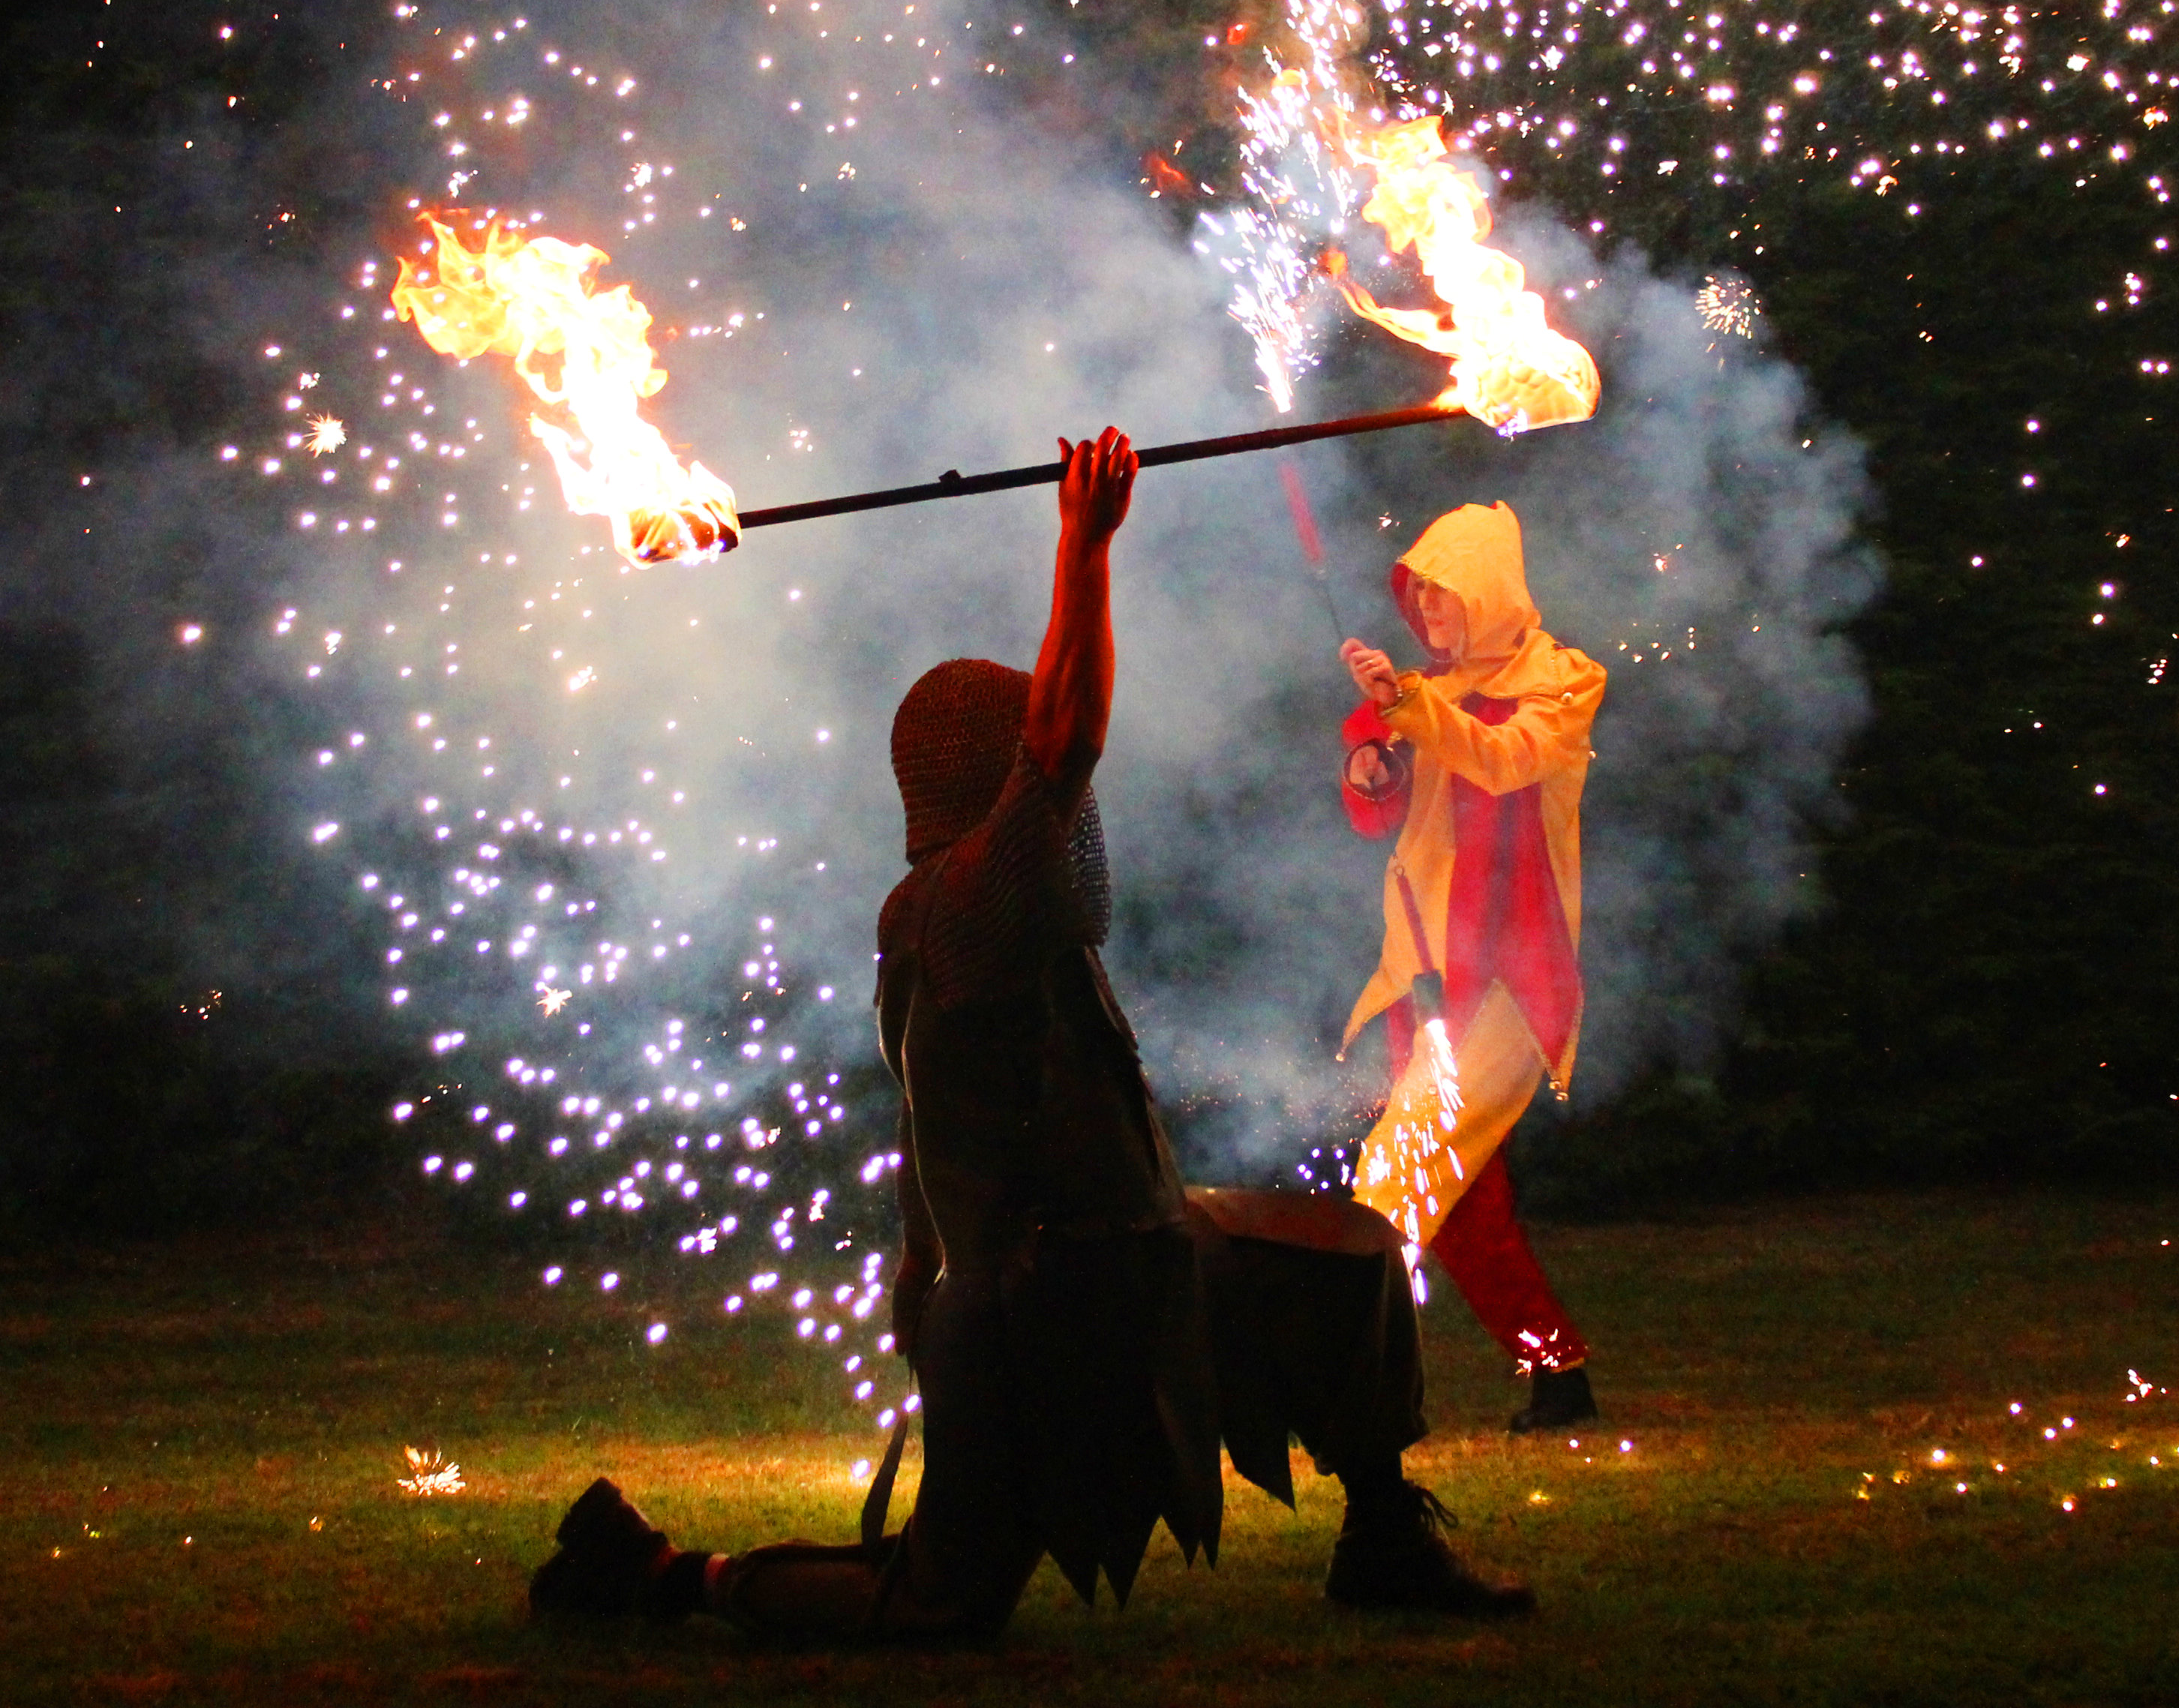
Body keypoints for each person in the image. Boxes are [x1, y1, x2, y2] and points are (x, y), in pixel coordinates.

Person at [531, 429, 1529, 1639]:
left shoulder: (997, 917)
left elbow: (935, 1122)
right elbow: (1063, 745)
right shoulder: (965, 907)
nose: (1055, 798)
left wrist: (916, 1263)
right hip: (1042, 1302)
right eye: (1024, 771)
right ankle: (663, 1574)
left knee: (1345, 1256)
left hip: (1142, 1245)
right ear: (986, 779)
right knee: (939, 1604)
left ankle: (1383, 1541)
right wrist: (1085, 543)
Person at [1335, 501, 1607, 1433]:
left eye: (1442, 594)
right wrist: (1373, 768)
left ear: (1486, 591)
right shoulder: (1421, 692)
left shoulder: (1564, 680)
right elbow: (1380, 806)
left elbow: (1502, 761)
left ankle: (1338, 1387)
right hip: (1420, 979)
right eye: (1418, 596)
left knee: (1393, 1182)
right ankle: (1557, 1371)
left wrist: (1405, 709)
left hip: (1509, 985)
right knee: (1461, 1204)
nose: (1427, 613)